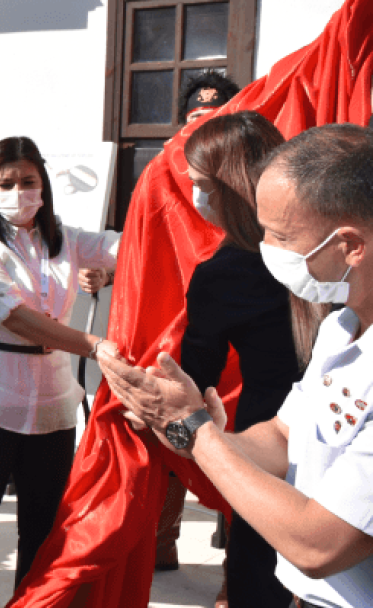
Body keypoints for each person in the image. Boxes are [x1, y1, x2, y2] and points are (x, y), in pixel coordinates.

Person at [100, 123, 373, 608]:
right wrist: (184, 425)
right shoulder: (341, 328)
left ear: (350, 245)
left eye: (282, 235)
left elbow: (318, 543)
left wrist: (197, 433)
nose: (269, 250)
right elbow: (283, 438)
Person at [0, 136, 121, 608]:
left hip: (52, 406)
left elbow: (128, 249)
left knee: (42, 532)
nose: (18, 191)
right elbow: (12, 315)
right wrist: (94, 346)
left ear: (44, 185)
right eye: (6, 183)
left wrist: (111, 271)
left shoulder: (65, 239)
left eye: (28, 181)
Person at [158, 110, 293, 606]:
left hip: (273, 449)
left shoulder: (224, 273)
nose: (195, 197)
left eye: (201, 185)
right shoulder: (333, 247)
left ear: (231, 187)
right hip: (332, 434)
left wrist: (155, 408)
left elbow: (194, 383)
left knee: (260, 579)